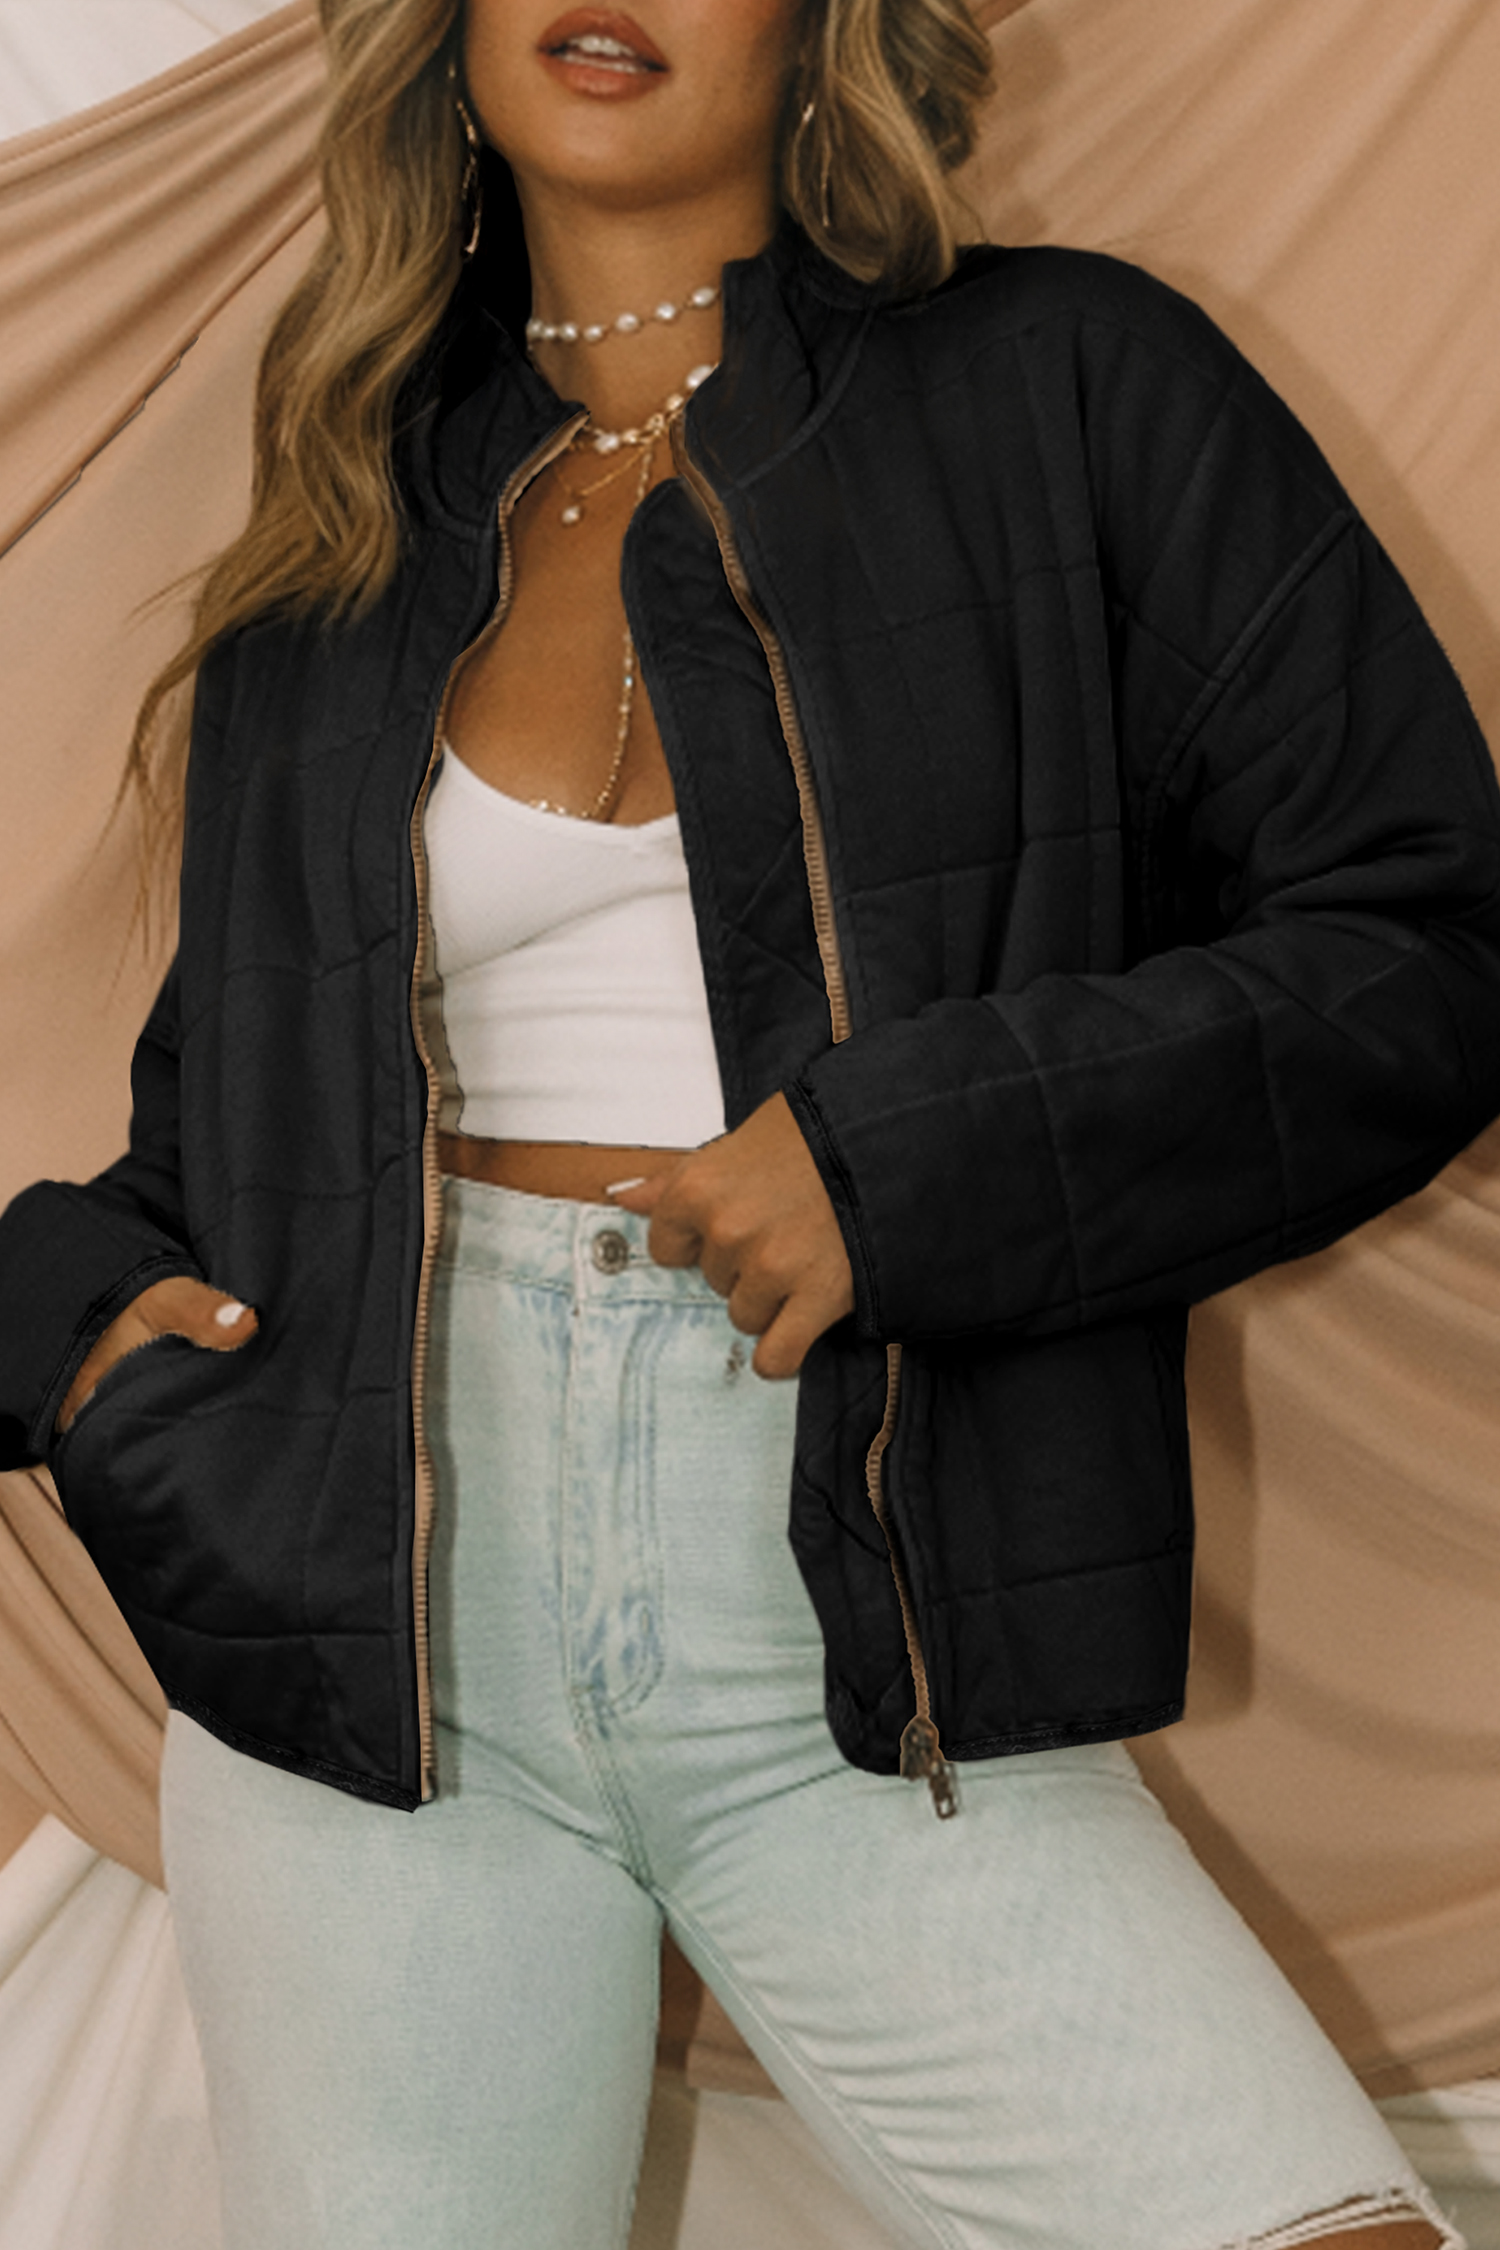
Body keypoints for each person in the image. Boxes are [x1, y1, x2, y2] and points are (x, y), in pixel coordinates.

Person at [2, 0, 1498, 2243]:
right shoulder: (360, 496)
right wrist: (82, 1337)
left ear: (820, 28)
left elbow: (1426, 942)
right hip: (368, 1672)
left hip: (859, 1605)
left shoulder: (1067, 381)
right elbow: (227, 1125)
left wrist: (905, 1168)